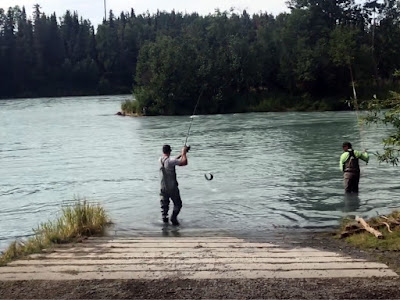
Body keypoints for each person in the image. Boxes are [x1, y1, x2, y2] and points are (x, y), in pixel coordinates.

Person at [159, 144, 188, 226]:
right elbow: (184, 162)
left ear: (163, 151)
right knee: (178, 204)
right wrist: (184, 153)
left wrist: (181, 154)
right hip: (172, 187)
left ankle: (165, 223)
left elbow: (172, 160)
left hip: (163, 187)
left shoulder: (160, 159)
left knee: (164, 205)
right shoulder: (170, 161)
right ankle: (173, 218)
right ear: (170, 151)